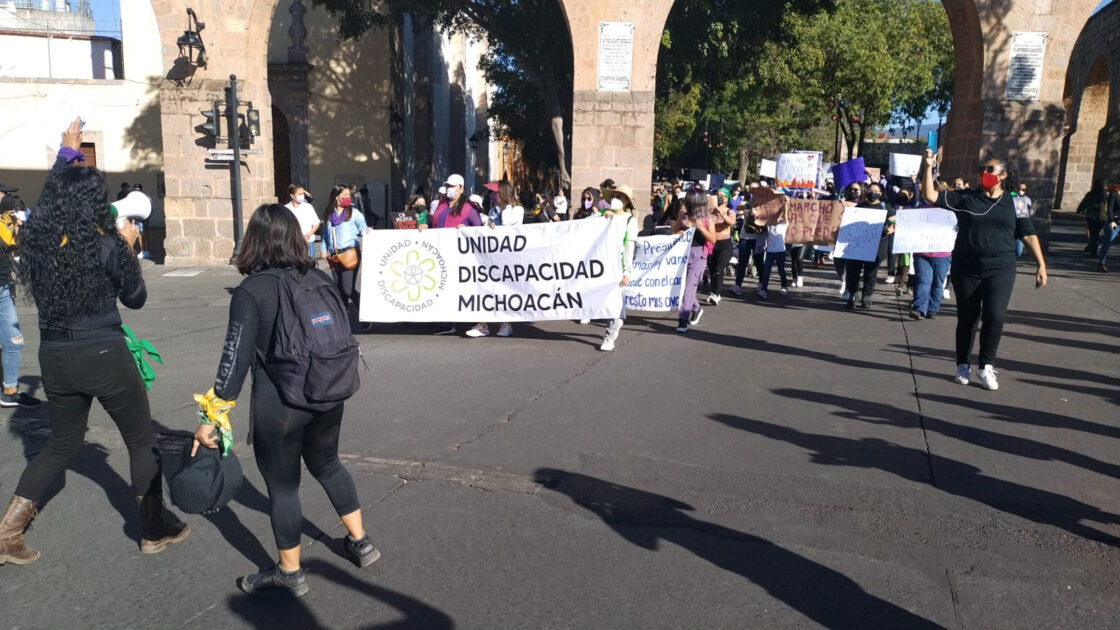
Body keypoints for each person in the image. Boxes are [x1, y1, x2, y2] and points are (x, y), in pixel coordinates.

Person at [1, 118, 188, 567]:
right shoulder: (105, 246)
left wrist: (67, 156)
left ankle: (7, 532)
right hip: (103, 352)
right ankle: (152, 528)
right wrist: (127, 248)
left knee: (62, 444)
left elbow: (48, 202)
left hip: (55, 356)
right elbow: (136, 300)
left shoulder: (39, 244)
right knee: (142, 440)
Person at [192, 204, 377, 597]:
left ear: (254, 241)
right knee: (328, 464)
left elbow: (234, 361)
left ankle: (289, 572)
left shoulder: (251, 291)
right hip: (329, 389)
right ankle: (360, 542)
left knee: (283, 486)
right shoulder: (319, 276)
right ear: (295, 236)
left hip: (280, 403)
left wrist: (211, 418)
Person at [920, 149, 1047, 391]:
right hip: (966, 268)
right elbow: (930, 195)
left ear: (1003, 175)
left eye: (989, 170)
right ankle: (962, 364)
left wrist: (1041, 264)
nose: (983, 174)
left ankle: (986, 366)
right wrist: (928, 167)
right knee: (967, 318)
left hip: (1001, 268)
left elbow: (1028, 234)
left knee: (995, 316)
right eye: (981, 170)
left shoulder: (1017, 202)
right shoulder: (966, 198)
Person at [0, 196, 41, 408]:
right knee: (13, 341)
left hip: (3, 289)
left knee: (13, 341)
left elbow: (10, 252)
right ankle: (8, 390)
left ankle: (9, 390)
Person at [597, 185, 639, 352]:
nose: (616, 199)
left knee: (614, 301)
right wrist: (603, 217)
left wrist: (627, 271)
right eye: (614, 196)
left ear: (626, 201)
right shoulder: (602, 216)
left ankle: (610, 334)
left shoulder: (630, 220)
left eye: (620, 197)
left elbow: (629, 246)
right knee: (605, 300)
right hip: (601, 265)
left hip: (618, 265)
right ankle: (617, 320)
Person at [672, 190, 719, 333]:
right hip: (682, 255)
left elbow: (713, 238)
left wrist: (701, 228)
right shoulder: (683, 216)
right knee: (682, 289)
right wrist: (677, 232)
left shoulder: (707, 218)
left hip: (698, 256)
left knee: (688, 289)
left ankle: (683, 320)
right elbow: (673, 231)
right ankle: (696, 308)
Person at [321, 184, 370, 318]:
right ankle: (343, 319)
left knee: (348, 290)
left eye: (349, 195)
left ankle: (365, 313)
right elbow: (325, 235)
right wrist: (323, 250)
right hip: (334, 255)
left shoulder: (354, 213)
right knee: (339, 289)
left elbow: (363, 229)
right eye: (345, 195)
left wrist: (368, 231)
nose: (348, 197)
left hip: (350, 253)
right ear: (336, 197)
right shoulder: (329, 215)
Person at [844, 182, 891, 310]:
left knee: (871, 273)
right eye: (870, 190)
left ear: (880, 193)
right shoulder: (860, 206)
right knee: (853, 271)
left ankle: (867, 296)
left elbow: (894, 223)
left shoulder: (885, 207)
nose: (872, 193)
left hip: (877, 245)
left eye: (876, 191)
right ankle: (853, 294)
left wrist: (887, 230)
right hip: (859, 244)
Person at [705, 190, 736, 305]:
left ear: (727, 198)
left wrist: (721, 213)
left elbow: (731, 222)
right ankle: (714, 292)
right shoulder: (710, 211)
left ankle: (717, 293)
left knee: (719, 267)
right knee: (712, 269)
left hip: (725, 244)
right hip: (712, 243)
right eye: (718, 195)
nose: (720, 197)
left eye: (723, 196)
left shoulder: (730, 211)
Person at [283, 183, 320, 258]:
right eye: (299, 194)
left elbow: (316, 224)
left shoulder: (308, 207)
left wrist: (308, 235)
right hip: (292, 244)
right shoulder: (285, 209)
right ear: (292, 195)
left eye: (303, 193)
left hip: (307, 242)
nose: (302, 196)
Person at [1077, 180, 1110, 259]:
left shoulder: (1090, 194)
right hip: (1102, 217)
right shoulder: (1106, 195)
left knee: (1093, 233)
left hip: (1091, 216)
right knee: (1097, 233)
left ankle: (1092, 249)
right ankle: (1092, 247)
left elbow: (1084, 203)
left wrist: (1079, 210)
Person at [1095, 185, 1120, 272]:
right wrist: (1111, 221)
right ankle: (1101, 264)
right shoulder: (1114, 194)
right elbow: (1109, 209)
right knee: (1108, 242)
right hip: (1114, 223)